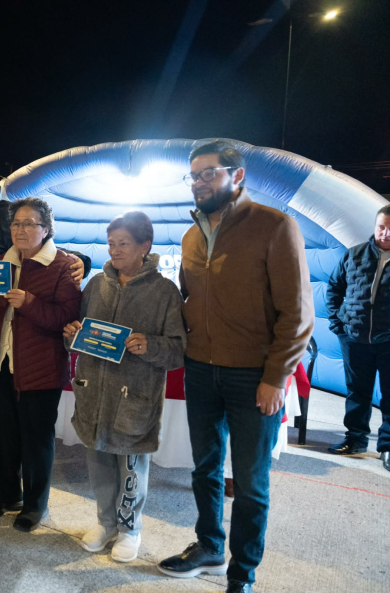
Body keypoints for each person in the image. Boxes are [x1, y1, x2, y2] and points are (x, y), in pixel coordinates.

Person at [158, 141, 314, 593]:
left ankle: (242, 574)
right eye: (193, 175)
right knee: (204, 469)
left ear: (237, 175)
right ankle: (209, 546)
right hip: (200, 370)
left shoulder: (275, 226)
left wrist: (276, 377)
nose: (199, 182)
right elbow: (190, 299)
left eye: (209, 173)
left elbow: (297, 313)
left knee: (249, 483)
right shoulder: (190, 236)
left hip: (253, 376)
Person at [0, 150, 90, 499]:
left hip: (2, 338)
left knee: (0, 415)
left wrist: (82, 259)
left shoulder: (7, 216)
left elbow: (48, 252)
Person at [63, 211, 186, 562]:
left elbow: (178, 350)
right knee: (98, 461)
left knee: (131, 466)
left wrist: (151, 345)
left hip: (134, 396)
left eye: (124, 244)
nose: (115, 250)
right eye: (111, 243)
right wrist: (71, 335)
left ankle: (130, 528)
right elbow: (78, 336)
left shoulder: (165, 292)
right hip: (94, 393)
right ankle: (105, 523)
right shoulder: (95, 286)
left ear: (145, 246)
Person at [0, 197, 81, 532]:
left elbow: (67, 318)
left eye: (29, 223)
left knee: (37, 440)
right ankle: (7, 496)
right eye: (16, 223)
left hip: (40, 368)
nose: (21, 230)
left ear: (46, 229)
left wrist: (29, 302)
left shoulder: (63, 266)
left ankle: (35, 505)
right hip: (1, 363)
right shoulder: (0, 263)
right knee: (4, 435)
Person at [326, 205, 390, 473]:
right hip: (354, 339)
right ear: (375, 226)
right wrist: (338, 325)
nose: (386, 233)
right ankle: (355, 440)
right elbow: (334, 288)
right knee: (357, 392)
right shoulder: (354, 255)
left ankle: (387, 447)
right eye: (382, 227)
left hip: (387, 342)